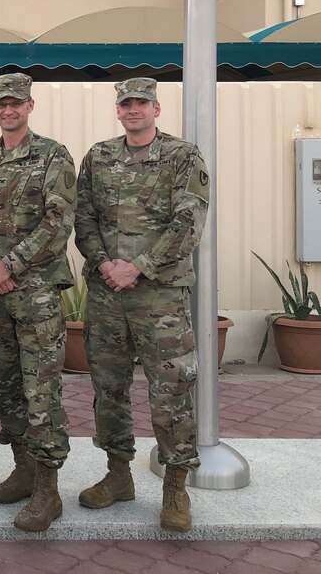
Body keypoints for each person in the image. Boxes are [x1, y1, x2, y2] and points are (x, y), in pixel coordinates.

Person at [74, 77, 209, 533]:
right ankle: (118, 476)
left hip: (160, 297)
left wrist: (140, 267)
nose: (133, 109)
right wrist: (104, 262)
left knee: (171, 390)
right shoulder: (98, 156)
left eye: (141, 103)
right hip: (108, 295)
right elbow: (83, 216)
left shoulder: (182, 156)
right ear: (118, 110)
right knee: (108, 390)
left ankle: (175, 487)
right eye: (126, 103)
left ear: (156, 108)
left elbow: (189, 220)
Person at [0, 74, 75, 532]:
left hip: (37, 294)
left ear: (31, 105)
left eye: (16, 103)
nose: (8, 110)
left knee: (41, 390)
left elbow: (59, 220)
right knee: (4, 385)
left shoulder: (53, 155)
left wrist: (11, 266)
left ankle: (49, 489)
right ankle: (23, 470)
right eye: (1, 103)